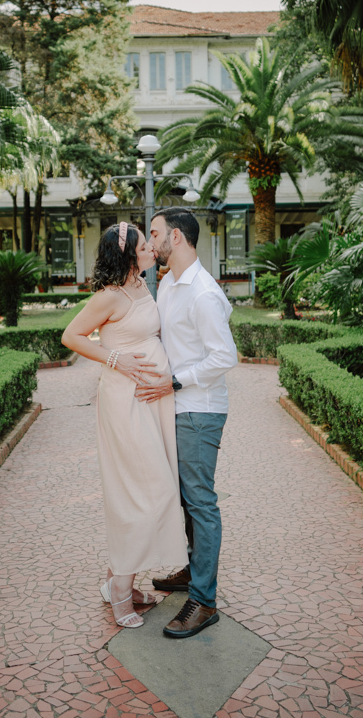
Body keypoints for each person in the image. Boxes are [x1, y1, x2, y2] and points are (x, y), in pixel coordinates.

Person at [61, 222, 188, 629]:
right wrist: (116, 359)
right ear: (129, 255)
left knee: (150, 490)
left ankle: (121, 581)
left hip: (151, 404)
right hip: (125, 402)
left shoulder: (142, 285)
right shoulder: (110, 296)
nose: (152, 247)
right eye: (144, 244)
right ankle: (120, 589)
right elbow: (71, 335)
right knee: (145, 493)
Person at [136, 207, 238, 639]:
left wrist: (176, 380)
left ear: (175, 237)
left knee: (199, 501)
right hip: (176, 406)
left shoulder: (202, 292)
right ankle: (192, 571)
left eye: (154, 233)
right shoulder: (169, 283)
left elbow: (224, 356)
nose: (151, 241)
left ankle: (204, 600)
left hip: (199, 408)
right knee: (182, 497)